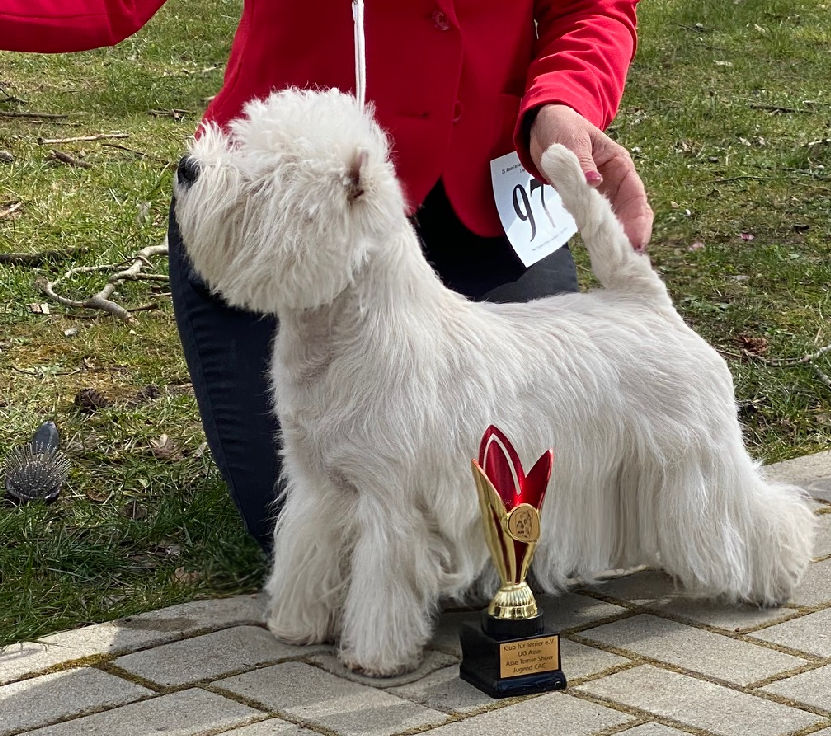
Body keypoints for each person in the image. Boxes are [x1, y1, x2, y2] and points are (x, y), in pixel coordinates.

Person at [1, 1, 654, 552]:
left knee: (532, 523)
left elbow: (590, 7)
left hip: (481, 204)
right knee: (329, 546)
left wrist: (563, 101)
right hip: (279, 220)